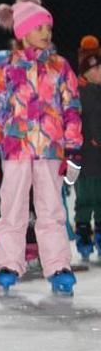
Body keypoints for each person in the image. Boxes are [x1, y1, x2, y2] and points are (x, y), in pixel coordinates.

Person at [0, 0, 81, 295]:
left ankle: (57, 265)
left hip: (50, 150)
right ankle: (9, 263)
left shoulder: (61, 67)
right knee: (11, 208)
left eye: (48, 28)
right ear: (23, 32)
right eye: (39, 27)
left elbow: (71, 108)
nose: (46, 33)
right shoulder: (6, 69)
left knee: (51, 209)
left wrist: (73, 147)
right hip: (15, 150)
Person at [75, 35, 101, 261]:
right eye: (95, 68)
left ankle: (99, 236)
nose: (99, 71)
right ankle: (84, 237)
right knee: (85, 199)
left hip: (99, 157)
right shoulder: (81, 92)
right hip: (85, 157)